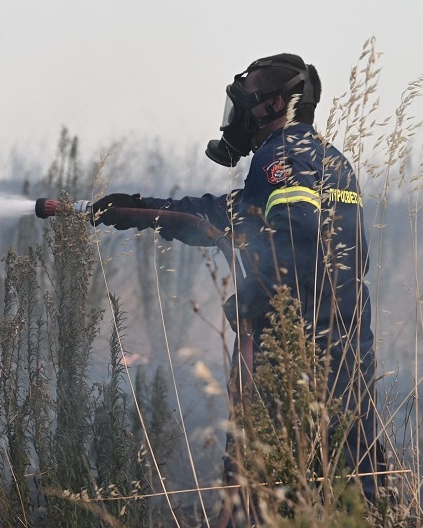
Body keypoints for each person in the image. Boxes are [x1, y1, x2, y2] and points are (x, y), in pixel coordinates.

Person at [91, 53, 384, 506]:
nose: (238, 115)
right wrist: (136, 209)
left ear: (275, 105)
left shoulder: (279, 157)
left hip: (293, 358)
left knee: (268, 491)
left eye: (246, 101)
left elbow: (297, 237)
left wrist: (255, 298)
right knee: (354, 487)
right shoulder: (329, 159)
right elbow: (226, 216)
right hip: (346, 355)